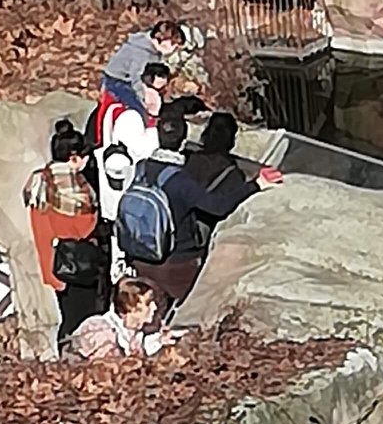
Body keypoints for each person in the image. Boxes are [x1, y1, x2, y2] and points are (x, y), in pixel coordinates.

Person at [117, 106, 281, 314]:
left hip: (140, 255)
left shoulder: (142, 167)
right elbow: (218, 206)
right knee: (176, 314)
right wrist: (256, 184)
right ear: (183, 141)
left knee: (144, 311)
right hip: (176, 263)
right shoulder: (180, 180)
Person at [23, 119, 104, 343]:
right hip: (79, 266)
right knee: (83, 321)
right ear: (74, 158)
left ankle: (64, 354)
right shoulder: (78, 191)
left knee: (67, 317)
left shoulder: (40, 182)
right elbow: (84, 227)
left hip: (54, 264)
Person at [96, 63, 168, 233]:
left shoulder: (119, 106)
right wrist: (156, 123)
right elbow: (142, 150)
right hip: (124, 194)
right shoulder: (130, 116)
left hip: (119, 194)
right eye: (154, 90)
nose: (156, 97)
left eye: (161, 92)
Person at [98, 18, 186, 121]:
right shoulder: (141, 54)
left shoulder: (152, 48)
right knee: (138, 111)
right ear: (162, 41)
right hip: (117, 80)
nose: (174, 49)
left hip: (131, 79)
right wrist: (143, 98)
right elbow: (135, 78)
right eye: (173, 45)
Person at [64, 277, 166, 359]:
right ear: (130, 307)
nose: (154, 307)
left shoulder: (135, 336)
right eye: (148, 303)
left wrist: (161, 341)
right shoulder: (100, 330)